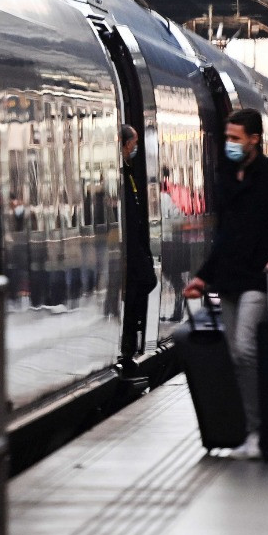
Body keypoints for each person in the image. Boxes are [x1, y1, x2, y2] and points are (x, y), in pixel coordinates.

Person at [183, 108, 268, 459]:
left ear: (254, 139)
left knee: (245, 349)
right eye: (228, 138)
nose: (230, 144)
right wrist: (204, 276)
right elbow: (224, 235)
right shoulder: (225, 176)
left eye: (236, 138)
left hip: (260, 278)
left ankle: (258, 430)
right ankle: (250, 426)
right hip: (229, 278)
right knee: (236, 355)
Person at [118, 125, 156, 363]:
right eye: (134, 143)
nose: (136, 148)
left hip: (134, 248)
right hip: (130, 250)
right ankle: (128, 344)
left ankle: (130, 342)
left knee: (144, 283)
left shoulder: (128, 172)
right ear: (126, 144)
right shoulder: (122, 174)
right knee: (142, 283)